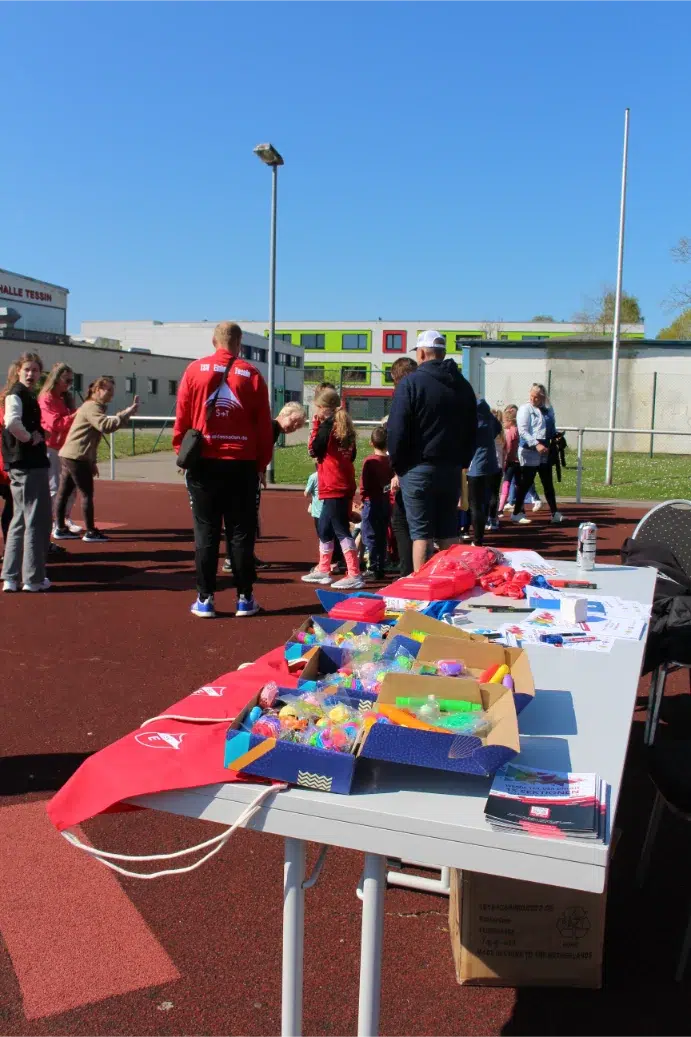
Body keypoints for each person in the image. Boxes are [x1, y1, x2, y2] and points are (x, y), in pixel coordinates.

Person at [173, 321, 273, 618]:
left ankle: (205, 598)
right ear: (239, 343)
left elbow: (182, 415)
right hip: (242, 464)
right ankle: (245, 598)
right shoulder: (251, 374)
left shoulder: (194, 370)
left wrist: (182, 453)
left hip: (204, 462)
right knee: (241, 533)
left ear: (214, 340)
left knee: (206, 532)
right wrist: (261, 464)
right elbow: (263, 425)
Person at [386, 330, 477, 571]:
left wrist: (398, 465)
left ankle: (422, 587)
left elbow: (396, 430)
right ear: (442, 353)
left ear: (422, 353)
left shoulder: (410, 383)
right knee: (449, 532)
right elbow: (472, 429)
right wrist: (462, 462)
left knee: (421, 534)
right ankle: (450, 582)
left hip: (417, 467)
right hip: (451, 468)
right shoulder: (463, 385)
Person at [224, 400, 307, 574]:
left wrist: (260, 470)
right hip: (245, 477)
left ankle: (242, 555)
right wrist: (259, 470)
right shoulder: (270, 427)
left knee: (246, 518)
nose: (294, 427)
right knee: (246, 518)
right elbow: (255, 449)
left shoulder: (272, 429)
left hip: (248, 475)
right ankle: (235, 558)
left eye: (298, 426)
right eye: (294, 421)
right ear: (284, 414)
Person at [54, 377, 139, 543]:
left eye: (112, 391)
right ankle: (90, 531)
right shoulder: (92, 406)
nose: (111, 394)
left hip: (70, 454)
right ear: (97, 390)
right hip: (77, 457)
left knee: (64, 493)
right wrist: (127, 413)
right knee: (86, 493)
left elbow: (92, 438)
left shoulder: (90, 406)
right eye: (108, 390)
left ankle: (60, 528)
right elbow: (105, 426)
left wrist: (92, 462)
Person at [1, 352, 52, 592]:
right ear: (18, 371)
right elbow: (11, 422)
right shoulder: (17, 394)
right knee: (35, 520)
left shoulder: (22, 395)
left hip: (23, 464)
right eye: (27, 369)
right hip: (28, 464)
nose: (31, 374)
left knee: (20, 519)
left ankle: (11, 577)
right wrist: (30, 438)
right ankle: (32, 578)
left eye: (35, 370)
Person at [302, 387, 362, 589]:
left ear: (323, 408)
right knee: (325, 528)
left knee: (341, 529)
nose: (316, 412)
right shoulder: (345, 425)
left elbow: (313, 450)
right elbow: (352, 455)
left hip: (334, 485)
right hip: (341, 482)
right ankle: (323, 569)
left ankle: (354, 573)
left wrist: (315, 427)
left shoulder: (327, 427)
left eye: (317, 408)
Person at [511, 383, 563, 525]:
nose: (533, 399)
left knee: (547, 482)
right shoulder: (525, 409)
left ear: (543, 397)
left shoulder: (548, 409)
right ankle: (517, 513)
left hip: (545, 451)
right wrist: (536, 444)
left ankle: (555, 513)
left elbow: (550, 428)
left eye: (537, 397)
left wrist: (556, 436)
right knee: (526, 482)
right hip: (529, 451)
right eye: (532, 396)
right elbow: (523, 431)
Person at [39, 362, 80, 537]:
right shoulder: (46, 398)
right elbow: (55, 423)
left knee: (72, 486)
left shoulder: (65, 399)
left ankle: (64, 518)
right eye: (67, 380)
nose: (69, 384)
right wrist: (77, 415)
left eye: (72, 381)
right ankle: (52, 522)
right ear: (56, 379)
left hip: (67, 448)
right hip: (51, 448)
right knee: (54, 487)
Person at [387, 357, 417, 577]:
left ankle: (408, 574)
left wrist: (397, 469)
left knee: (403, 522)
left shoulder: (404, 395)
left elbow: (396, 434)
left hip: (411, 469)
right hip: (438, 467)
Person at [465, 399, 502, 546]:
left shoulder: (471, 420)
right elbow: (498, 427)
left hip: (476, 466)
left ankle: (477, 539)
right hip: (491, 464)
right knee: (485, 501)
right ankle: (480, 535)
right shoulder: (489, 418)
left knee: (475, 505)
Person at [360, 425, 393, 579]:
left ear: (371, 443)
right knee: (381, 535)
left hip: (371, 502)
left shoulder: (370, 461)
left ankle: (373, 567)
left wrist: (363, 498)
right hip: (385, 501)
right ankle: (380, 566)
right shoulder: (390, 461)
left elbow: (364, 484)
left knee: (370, 536)